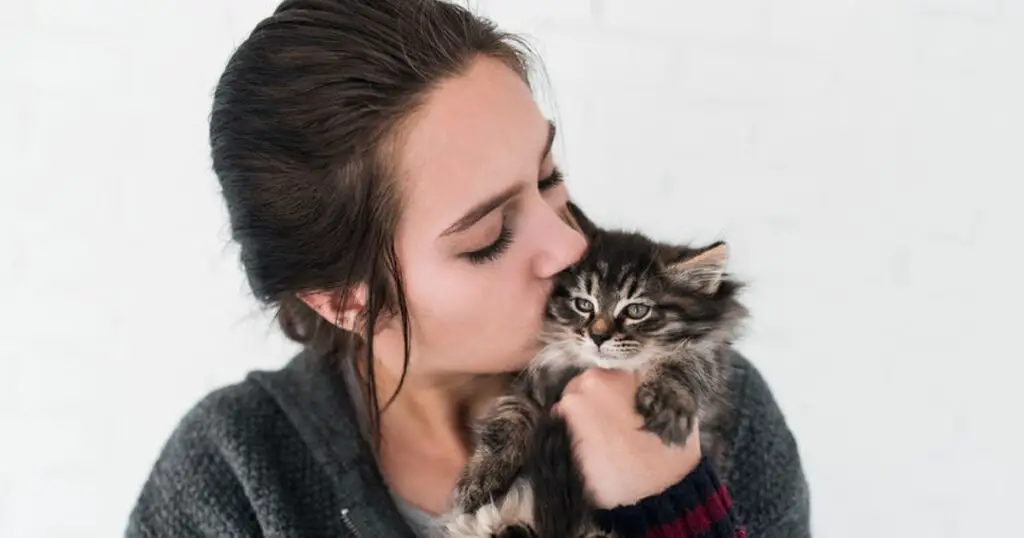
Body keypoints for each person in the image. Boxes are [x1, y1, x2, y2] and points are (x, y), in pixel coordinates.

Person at [125, 1, 810, 537]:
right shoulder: (233, 471)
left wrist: (674, 505)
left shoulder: (706, 409)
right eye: (487, 235)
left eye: (549, 176)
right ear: (343, 299)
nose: (570, 246)